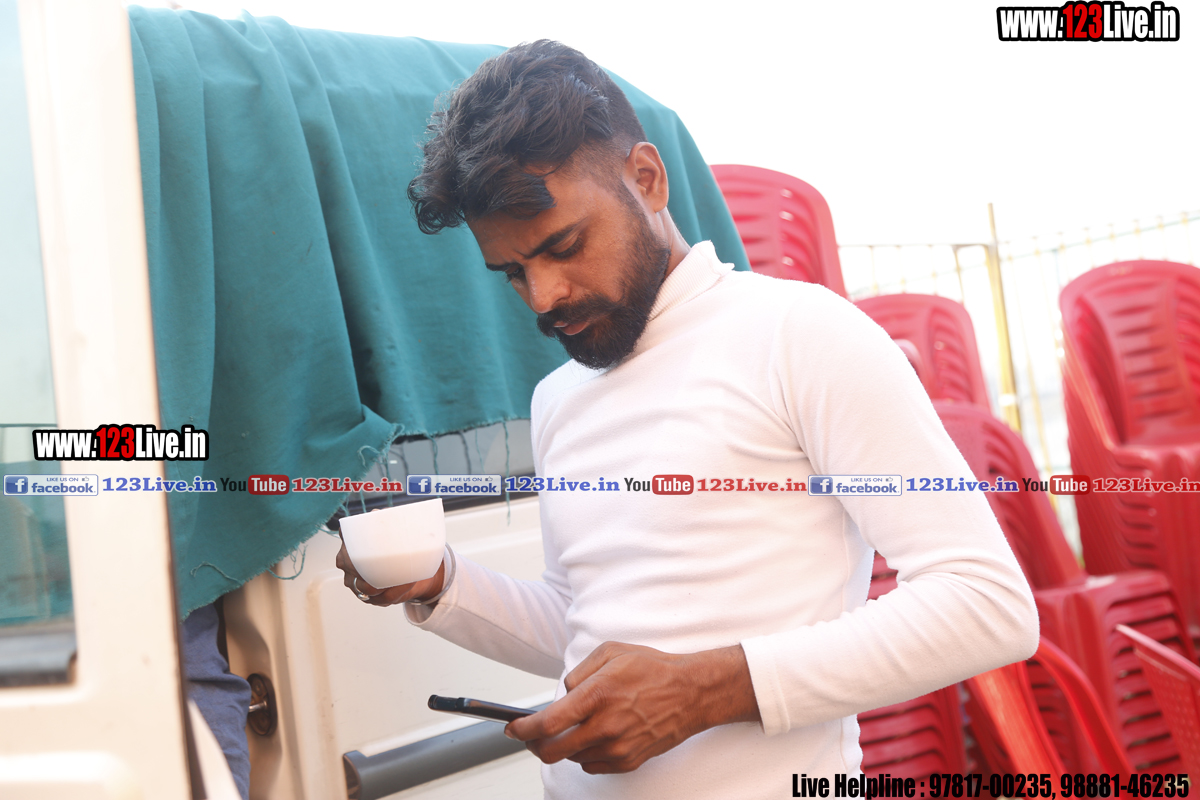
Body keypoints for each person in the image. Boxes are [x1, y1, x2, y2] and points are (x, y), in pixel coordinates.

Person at [335, 39, 1038, 799]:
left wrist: (704, 690)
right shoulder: (558, 399)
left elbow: (985, 603)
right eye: (513, 272)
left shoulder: (800, 335)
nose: (543, 296)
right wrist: (441, 584)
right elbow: (584, 625)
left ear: (647, 179)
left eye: (564, 246)